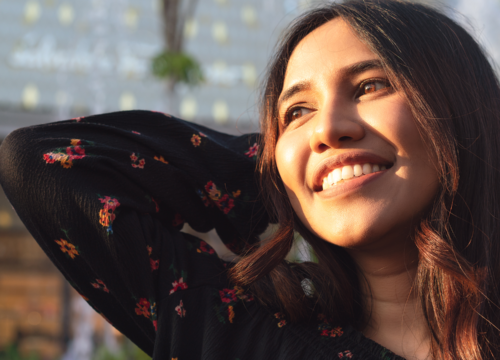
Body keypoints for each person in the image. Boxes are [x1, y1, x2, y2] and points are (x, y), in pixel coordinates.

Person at [1, 0, 499, 359]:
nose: (327, 127)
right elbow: (41, 161)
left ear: (464, 111)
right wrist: (288, 170)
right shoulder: (237, 330)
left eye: (371, 85)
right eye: (297, 112)